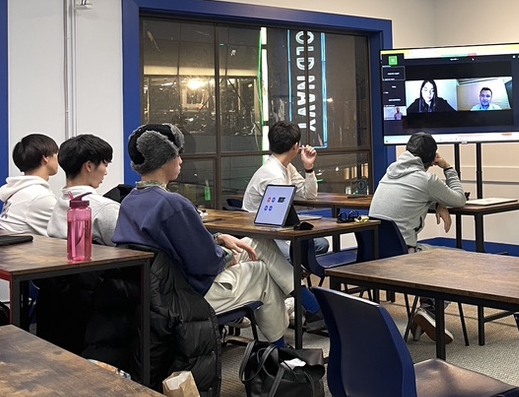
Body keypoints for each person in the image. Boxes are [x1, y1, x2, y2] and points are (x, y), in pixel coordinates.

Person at [112, 123, 290, 344]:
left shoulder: (129, 201)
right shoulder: (173, 204)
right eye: (177, 155)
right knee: (260, 271)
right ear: (164, 159)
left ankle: (299, 297)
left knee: (257, 244)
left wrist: (218, 239)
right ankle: (281, 346)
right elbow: (206, 263)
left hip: (155, 292)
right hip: (189, 293)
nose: (181, 161)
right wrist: (226, 256)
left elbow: (171, 247)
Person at [368, 131, 467, 342]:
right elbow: (459, 199)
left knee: (431, 255)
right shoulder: (427, 179)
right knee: (459, 259)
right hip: (402, 257)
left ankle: (425, 313)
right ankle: (429, 310)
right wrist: (448, 168)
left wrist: (438, 202)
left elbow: (409, 198)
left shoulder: (389, 173)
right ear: (431, 160)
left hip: (373, 256)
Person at [243, 120, 328, 257]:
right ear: (295, 146)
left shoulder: (286, 167)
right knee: (294, 254)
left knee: (321, 244)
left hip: (276, 228)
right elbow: (278, 219)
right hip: (263, 233)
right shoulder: (273, 175)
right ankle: (293, 269)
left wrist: (308, 168)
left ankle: (297, 266)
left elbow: (309, 195)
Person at [46, 134, 119, 245]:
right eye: (105, 164)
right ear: (89, 166)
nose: (105, 172)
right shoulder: (105, 208)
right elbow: (126, 250)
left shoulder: (59, 205)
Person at [0, 133, 59, 234]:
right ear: (45, 158)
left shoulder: (19, 190)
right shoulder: (39, 196)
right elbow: (67, 231)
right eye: (56, 154)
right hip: (20, 244)